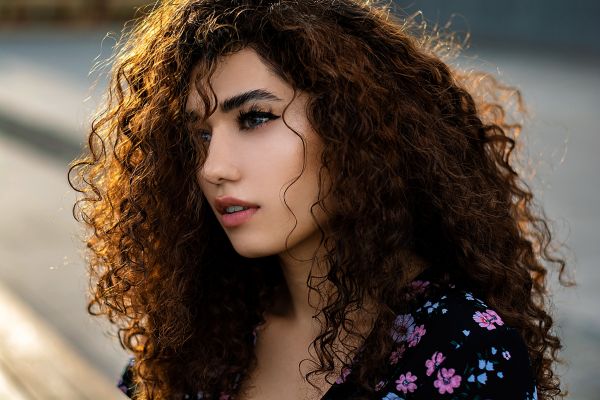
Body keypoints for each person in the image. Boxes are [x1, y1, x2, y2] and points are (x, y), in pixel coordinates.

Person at [69, 0, 567, 399]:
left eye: (256, 118)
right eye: (199, 136)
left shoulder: (460, 348)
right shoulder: (206, 325)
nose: (213, 167)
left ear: (353, 127)